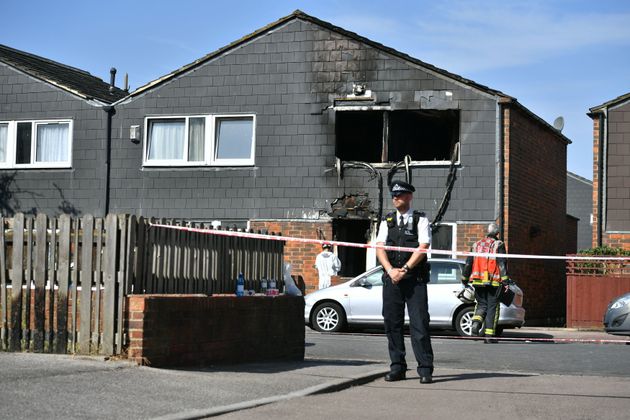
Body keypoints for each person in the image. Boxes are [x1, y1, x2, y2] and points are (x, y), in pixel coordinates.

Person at [375, 180, 434, 384]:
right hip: (392, 279)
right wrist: (391, 270)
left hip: (414, 280)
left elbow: (423, 246)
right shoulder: (387, 221)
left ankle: (425, 369)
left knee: (419, 324)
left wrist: (406, 269)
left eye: (399, 195)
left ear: (409, 197)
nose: (395, 198)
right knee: (392, 324)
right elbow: (380, 248)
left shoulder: (420, 220)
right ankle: (397, 367)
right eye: (393, 195)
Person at [461, 222, 510, 343]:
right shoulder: (498, 244)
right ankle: (489, 336)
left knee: (481, 305)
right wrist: (505, 280)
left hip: (477, 281)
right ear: (497, 233)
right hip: (493, 282)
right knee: (493, 307)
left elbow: (468, 263)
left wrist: (464, 279)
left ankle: (475, 325)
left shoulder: (476, 244)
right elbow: (502, 263)